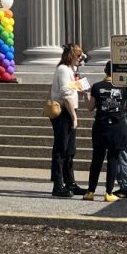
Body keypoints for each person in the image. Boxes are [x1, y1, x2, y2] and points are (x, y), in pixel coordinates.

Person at [83, 63, 127, 201]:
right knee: (113, 159)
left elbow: (90, 107)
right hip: (117, 127)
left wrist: (85, 94)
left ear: (105, 71)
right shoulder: (123, 88)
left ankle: (90, 191)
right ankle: (108, 192)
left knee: (97, 159)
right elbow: (125, 106)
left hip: (100, 127)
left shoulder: (97, 86)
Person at [50, 43, 88, 197]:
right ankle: (58, 185)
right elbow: (66, 95)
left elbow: (72, 89)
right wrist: (74, 116)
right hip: (64, 112)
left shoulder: (70, 71)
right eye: (78, 55)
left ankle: (70, 182)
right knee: (61, 149)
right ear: (71, 55)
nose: (81, 58)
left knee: (70, 150)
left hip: (69, 111)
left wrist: (83, 90)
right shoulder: (63, 70)